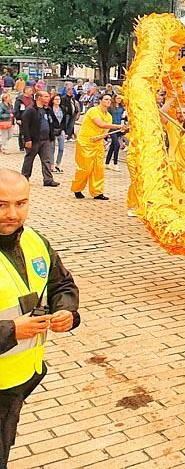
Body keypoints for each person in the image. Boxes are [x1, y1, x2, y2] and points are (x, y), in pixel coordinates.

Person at [0, 169, 81, 466]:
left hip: (19, 380)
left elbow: (62, 284)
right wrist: (11, 331)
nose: (12, 214)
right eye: (1, 205)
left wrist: (67, 311)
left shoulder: (35, 241)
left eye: (20, 203)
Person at [72, 93, 123, 200]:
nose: (108, 101)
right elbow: (100, 124)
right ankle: (77, 189)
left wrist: (101, 138)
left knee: (98, 168)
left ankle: (97, 192)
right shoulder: (93, 111)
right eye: (106, 99)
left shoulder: (108, 116)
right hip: (86, 142)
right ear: (100, 100)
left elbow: (105, 131)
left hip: (97, 143)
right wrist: (118, 126)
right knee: (85, 168)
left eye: (109, 100)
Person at [19, 91, 60, 188]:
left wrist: (54, 132)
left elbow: (53, 122)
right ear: (39, 98)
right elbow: (25, 126)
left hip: (46, 139)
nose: (48, 98)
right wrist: (27, 139)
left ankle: (48, 179)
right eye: (45, 96)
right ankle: (24, 178)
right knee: (29, 159)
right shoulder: (30, 110)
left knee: (47, 160)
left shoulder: (47, 109)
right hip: (34, 140)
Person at [104, 94, 127, 172]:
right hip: (111, 127)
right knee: (117, 145)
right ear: (114, 98)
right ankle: (115, 164)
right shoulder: (110, 107)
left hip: (119, 127)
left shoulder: (121, 108)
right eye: (117, 98)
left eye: (120, 98)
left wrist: (123, 126)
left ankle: (107, 163)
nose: (119, 100)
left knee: (113, 146)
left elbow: (123, 118)